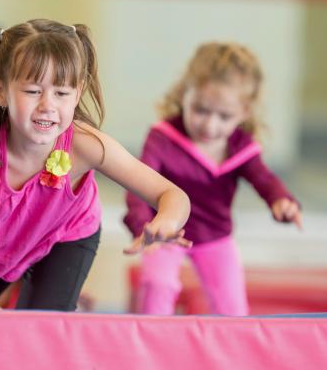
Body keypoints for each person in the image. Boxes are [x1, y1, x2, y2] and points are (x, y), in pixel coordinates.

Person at [0, 19, 191, 310]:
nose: (47, 106)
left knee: (39, 325)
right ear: (0, 90)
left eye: (61, 93)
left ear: (77, 93)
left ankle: (46, 293)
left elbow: (172, 195)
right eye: (33, 91)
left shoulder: (86, 145)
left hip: (65, 233)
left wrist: (166, 221)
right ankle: (15, 291)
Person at [124, 42, 302, 316]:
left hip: (215, 236)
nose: (210, 125)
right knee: (158, 284)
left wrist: (281, 201)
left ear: (245, 112)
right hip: (165, 231)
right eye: (200, 110)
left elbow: (264, 180)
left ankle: (232, 342)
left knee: (232, 307)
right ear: (184, 95)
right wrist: (144, 227)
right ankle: (152, 337)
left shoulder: (241, 147)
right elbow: (138, 185)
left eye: (224, 116)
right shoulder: (162, 138)